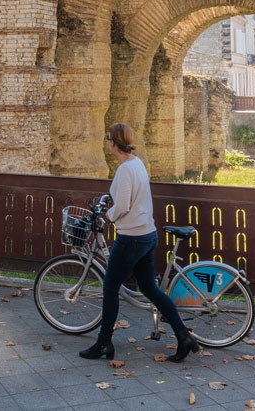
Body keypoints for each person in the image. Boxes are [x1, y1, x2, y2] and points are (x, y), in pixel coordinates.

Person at [80, 123, 199, 364]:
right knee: (150, 289)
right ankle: (184, 336)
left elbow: (122, 205)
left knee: (110, 289)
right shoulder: (137, 163)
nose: (108, 143)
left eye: (108, 139)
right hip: (147, 234)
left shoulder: (125, 170)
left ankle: (104, 342)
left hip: (131, 238)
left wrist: (107, 216)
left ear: (113, 142)